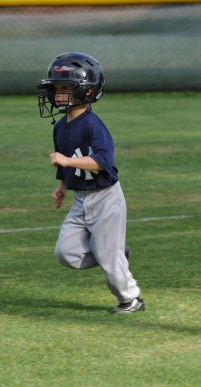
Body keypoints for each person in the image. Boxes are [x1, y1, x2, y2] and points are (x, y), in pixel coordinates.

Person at [37, 52, 144, 314]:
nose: (58, 94)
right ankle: (115, 255)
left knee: (108, 255)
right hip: (81, 199)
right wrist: (62, 186)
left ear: (86, 91)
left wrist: (65, 161)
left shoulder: (93, 125)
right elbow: (66, 163)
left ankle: (130, 299)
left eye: (65, 88)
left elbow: (102, 161)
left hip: (106, 198)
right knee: (66, 252)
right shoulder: (60, 127)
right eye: (56, 89)